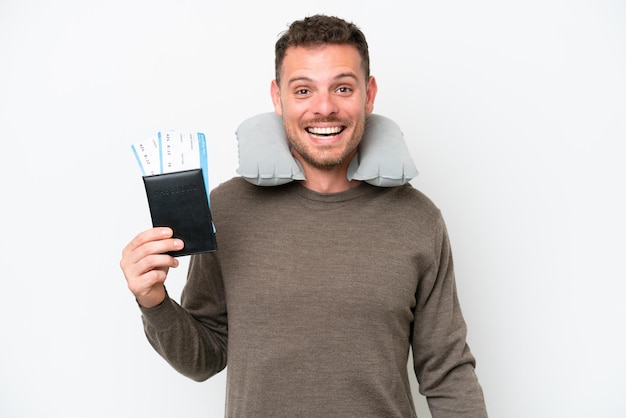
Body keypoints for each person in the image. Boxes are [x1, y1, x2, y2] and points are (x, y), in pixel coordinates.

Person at [120, 14, 488, 417]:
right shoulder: (227, 209)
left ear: (369, 94)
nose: (324, 107)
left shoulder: (419, 220)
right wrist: (153, 300)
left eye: (343, 88)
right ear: (278, 99)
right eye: (303, 90)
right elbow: (204, 357)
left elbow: (447, 372)